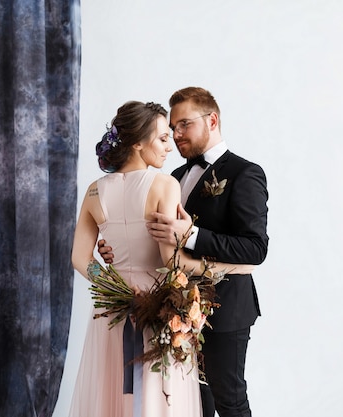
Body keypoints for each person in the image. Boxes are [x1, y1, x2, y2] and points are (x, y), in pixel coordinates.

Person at [69, 100, 254, 417]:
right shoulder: (164, 184)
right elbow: (172, 262)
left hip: (112, 312)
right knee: (160, 398)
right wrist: (227, 267)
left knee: (113, 393)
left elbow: (79, 258)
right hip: (156, 306)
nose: (171, 146)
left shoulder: (94, 191)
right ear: (138, 143)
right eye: (162, 138)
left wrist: (117, 289)